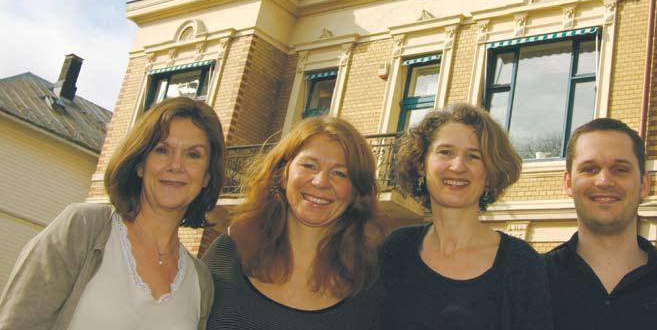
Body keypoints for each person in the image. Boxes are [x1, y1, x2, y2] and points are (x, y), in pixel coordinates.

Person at [0, 97, 226, 330]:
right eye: (162, 150)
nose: (176, 165)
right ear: (140, 164)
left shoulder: (200, 283)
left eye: (193, 155)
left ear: (207, 176)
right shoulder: (83, 228)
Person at [203, 115, 384, 330]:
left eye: (340, 173)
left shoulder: (370, 283)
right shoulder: (227, 255)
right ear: (282, 173)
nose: (321, 182)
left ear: (356, 191)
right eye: (309, 165)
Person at [382, 103, 553, 330]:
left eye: (473, 156)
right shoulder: (395, 250)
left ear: (490, 173)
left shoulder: (522, 265)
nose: (458, 166)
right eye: (446, 152)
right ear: (421, 165)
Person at [546, 118, 657, 329]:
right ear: (568, 183)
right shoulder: (531, 282)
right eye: (590, 169)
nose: (604, 181)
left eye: (620, 169)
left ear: (644, 184)